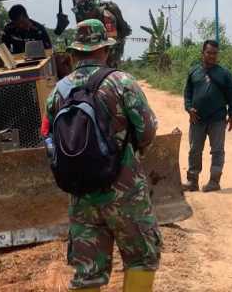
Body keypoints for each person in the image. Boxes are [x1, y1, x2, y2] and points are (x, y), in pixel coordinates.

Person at [47, 19, 161, 292]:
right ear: (105, 50)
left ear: (75, 54)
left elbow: (51, 139)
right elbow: (147, 131)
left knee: (88, 271)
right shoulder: (122, 82)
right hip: (125, 191)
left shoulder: (59, 90)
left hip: (82, 194)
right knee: (141, 258)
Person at [182, 40, 232, 192]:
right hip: (197, 119)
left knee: (217, 150)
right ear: (203, 53)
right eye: (209, 53)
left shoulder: (224, 73)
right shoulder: (194, 71)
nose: (212, 56)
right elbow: (187, 93)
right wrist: (189, 108)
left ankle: (214, 181)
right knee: (194, 149)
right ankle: (192, 181)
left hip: (218, 119)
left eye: (215, 53)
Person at [73, 0, 132, 68]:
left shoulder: (107, 16)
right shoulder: (88, 19)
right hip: (99, 44)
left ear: (90, 8)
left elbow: (112, 38)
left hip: (114, 45)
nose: (83, 16)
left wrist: (96, 40)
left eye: (84, 12)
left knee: (108, 66)